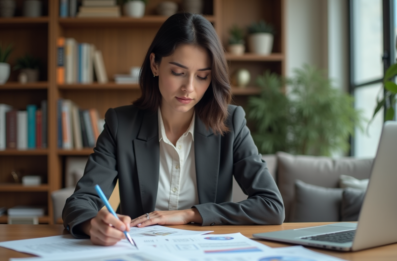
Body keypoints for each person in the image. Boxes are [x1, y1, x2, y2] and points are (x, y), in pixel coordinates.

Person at [63, 13, 285, 246]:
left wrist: (191, 213)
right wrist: (92, 225)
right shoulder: (121, 124)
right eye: (178, 72)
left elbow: (271, 206)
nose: (189, 88)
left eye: (202, 76)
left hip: (206, 254)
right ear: (155, 64)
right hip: (139, 252)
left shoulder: (231, 122)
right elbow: (80, 201)